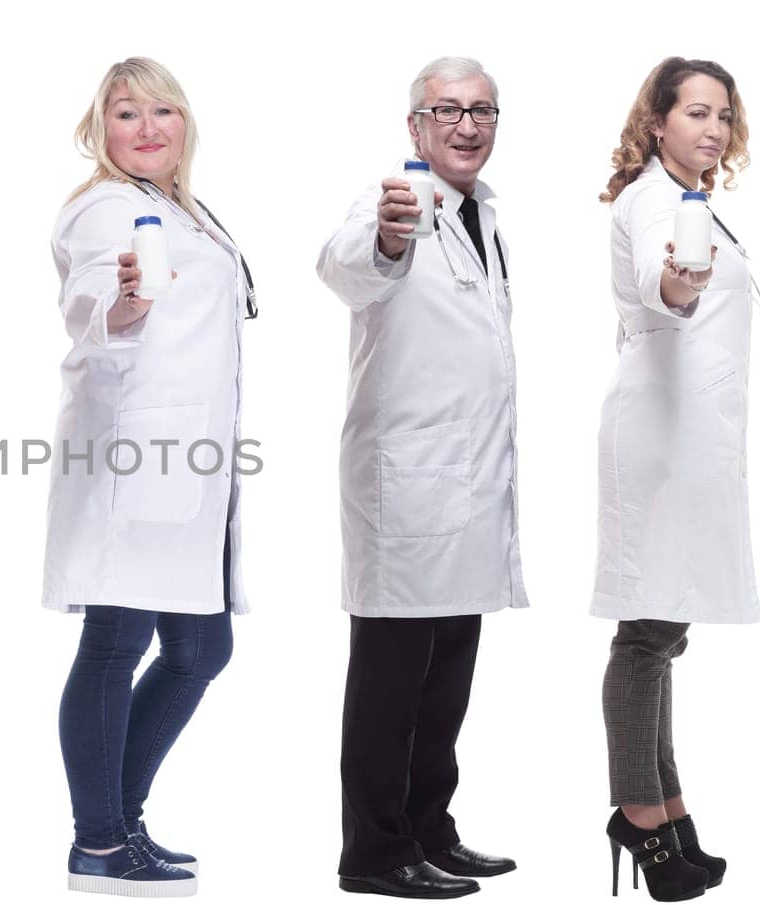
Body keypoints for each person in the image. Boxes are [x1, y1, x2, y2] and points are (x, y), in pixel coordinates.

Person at [46, 56, 254, 899]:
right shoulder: (102, 209)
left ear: (184, 123)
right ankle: (98, 839)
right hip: (136, 455)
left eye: (161, 111)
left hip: (192, 458)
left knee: (202, 646)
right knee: (116, 642)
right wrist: (125, 300)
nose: (147, 128)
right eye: (126, 114)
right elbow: (97, 296)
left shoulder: (180, 207)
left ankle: (120, 822)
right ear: (102, 130)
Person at [315, 56, 521, 899]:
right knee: (390, 680)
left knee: (445, 682)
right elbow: (343, 265)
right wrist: (391, 236)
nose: (467, 125)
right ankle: (372, 850)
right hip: (408, 486)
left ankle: (429, 829)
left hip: (469, 486)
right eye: (447, 110)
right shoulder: (388, 200)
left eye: (482, 111)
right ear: (415, 127)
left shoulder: (484, 213)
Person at [593, 56, 757, 903]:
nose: (713, 129)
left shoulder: (691, 200)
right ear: (658, 123)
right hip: (662, 435)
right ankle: (641, 818)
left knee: (663, 631)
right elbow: (667, 289)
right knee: (647, 637)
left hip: (685, 434)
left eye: (723, 116)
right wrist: (677, 284)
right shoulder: (658, 199)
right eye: (696, 112)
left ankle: (669, 803)